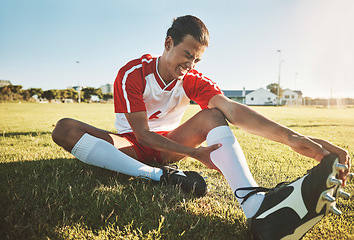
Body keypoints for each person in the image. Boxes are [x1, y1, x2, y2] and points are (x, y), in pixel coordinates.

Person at [52, 15, 352, 239]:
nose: (190, 64)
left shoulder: (193, 80)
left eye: (197, 59)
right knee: (64, 128)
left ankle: (255, 206)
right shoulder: (133, 73)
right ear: (168, 43)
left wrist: (293, 138)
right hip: (130, 146)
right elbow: (142, 135)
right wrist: (193, 154)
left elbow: (232, 110)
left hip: (169, 145)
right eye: (187, 54)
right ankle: (160, 176)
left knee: (212, 116)